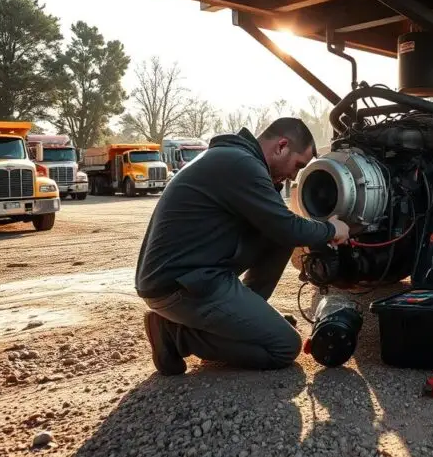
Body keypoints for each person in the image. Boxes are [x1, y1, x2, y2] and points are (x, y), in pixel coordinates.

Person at [135, 117, 349, 375]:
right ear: (281, 146)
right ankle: (175, 335)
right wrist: (332, 229)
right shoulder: (240, 164)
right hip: (178, 287)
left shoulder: (234, 158)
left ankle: (243, 320)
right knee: (284, 347)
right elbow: (288, 226)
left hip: (194, 275)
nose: (294, 175)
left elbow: (281, 229)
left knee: (279, 239)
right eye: (297, 165)